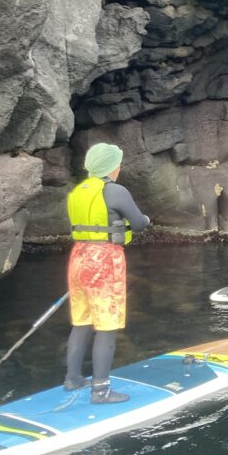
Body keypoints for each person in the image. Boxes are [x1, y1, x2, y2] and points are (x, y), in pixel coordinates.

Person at [64, 142, 150, 404]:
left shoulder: (77, 192)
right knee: (106, 326)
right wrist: (145, 220)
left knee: (82, 321)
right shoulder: (115, 191)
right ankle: (100, 391)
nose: (119, 168)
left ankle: (73, 378)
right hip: (104, 261)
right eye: (117, 164)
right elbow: (138, 223)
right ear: (111, 167)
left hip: (79, 257)